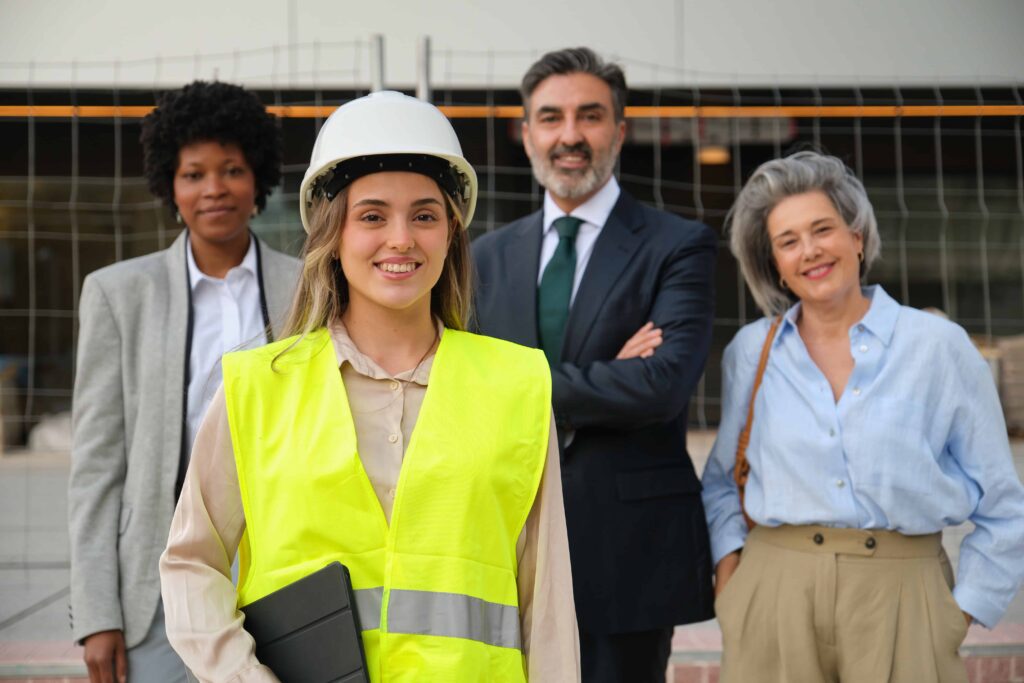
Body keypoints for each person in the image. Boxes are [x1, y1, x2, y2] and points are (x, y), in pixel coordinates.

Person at [158, 90, 580, 682]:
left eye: (425, 215)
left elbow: (548, 601)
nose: (401, 239)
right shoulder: (255, 387)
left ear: (453, 233)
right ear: (334, 234)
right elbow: (191, 563)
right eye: (373, 215)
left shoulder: (516, 384)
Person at [702, 150, 1024, 683]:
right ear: (775, 264)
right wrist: (731, 580)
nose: (810, 251)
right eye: (788, 241)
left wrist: (956, 612)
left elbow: (1003, 503)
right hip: (772, 593)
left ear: (856, 236)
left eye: (822, 229)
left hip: (905, 595)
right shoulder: (751, 350)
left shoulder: (939, 347)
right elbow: (720, 484)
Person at [472, 48, 717, 682]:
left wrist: (509, 384)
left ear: (620, 131)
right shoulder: (483, 258)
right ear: (526, 134)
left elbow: (662, 386)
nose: (570, 135)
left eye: (590, 116)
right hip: (502, 540)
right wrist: (611, 371)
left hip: (627, 547)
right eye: (550, 118)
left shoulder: (677, 245)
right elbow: (461, 390)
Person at [68, 80, 300, 683]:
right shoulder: (119, 295)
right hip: (157, 591)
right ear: (170, 188)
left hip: (283, 572)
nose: (214, 188)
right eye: (193, 174)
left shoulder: (310, 291)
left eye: (232, 170)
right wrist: (96, 611)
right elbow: (96, 464)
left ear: (259, 182)